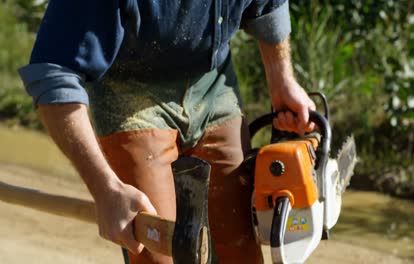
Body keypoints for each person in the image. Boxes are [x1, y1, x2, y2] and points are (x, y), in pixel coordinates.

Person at [19, 0, 315, 263]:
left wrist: (281, 78)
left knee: (239, 249)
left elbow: (269, 4)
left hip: (212, 80)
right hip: (129, 90)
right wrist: (106, 189)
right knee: (156, 255)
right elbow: (53, 73)